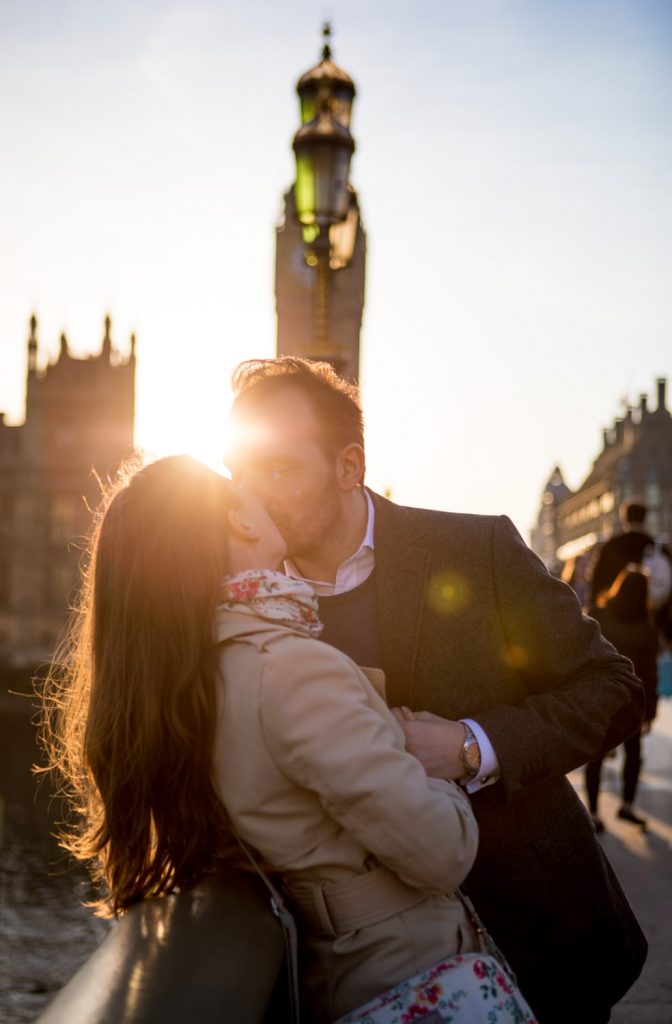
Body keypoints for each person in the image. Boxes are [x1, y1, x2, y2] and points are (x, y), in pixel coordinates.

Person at [226, 356, 648, 1024]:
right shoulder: (241, 609)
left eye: (279, 468)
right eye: (240, 471)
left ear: (348, 467)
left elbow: (616, 689)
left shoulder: (473, 549)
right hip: (370, 980)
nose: (250, 493)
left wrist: (472, 746)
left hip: (536, 942)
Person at [40, 455, 498, 1023]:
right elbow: (444, 853)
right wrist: (432, 758)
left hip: (339, 973)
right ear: (243, 524)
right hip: (409, 970)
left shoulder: (194, 674)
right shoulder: (288, 669)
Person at [585, 567, 659, 832]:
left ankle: (592, 813)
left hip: (601, 698)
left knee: (597, 755)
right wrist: (650, 711)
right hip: (632, 700)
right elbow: (650, 673)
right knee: (634, 753)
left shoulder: (599, 615)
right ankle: (627, 806)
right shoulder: (646, 629)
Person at [587, 499, 672, 639]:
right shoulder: (657, 547)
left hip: (614, 617)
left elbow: (597, 580)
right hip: (650, 618)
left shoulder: (611, 546)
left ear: (624, 518)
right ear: (645, 519)